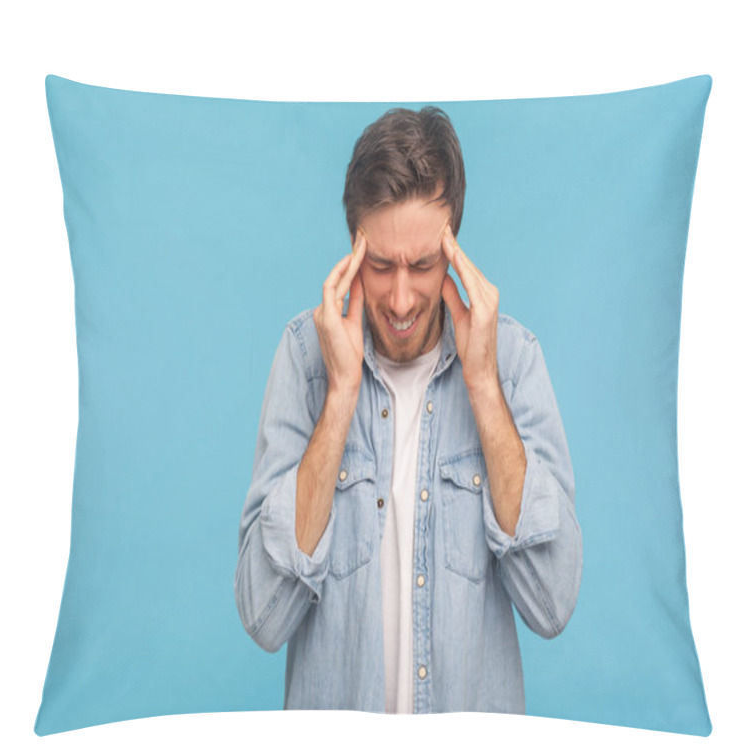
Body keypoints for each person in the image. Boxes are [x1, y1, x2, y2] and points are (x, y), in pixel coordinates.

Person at [234, 106, 582, 714]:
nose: (399, 298)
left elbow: (551, 606)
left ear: (453, 250)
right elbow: (264, 616)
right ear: (352, 249)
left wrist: (481, 382)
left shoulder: (515, 362)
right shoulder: (304, 358)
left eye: (422, 265)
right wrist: (340, 396)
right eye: (379, 265)